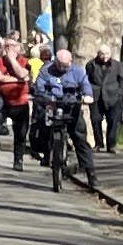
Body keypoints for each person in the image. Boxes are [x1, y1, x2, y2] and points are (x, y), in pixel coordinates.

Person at [34, 48, 96, 188]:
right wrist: (44, 98)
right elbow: (39, 88)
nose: (62, 68)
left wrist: (88, 96)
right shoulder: (46, 70)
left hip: (72, 108)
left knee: (80, 139)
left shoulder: (78, 71)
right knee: (41, 128)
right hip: (52, 107)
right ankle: (45, 153)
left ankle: (90, 174)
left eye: (65, 65)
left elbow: (85, 85)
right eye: (59, 65)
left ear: (71, 62)